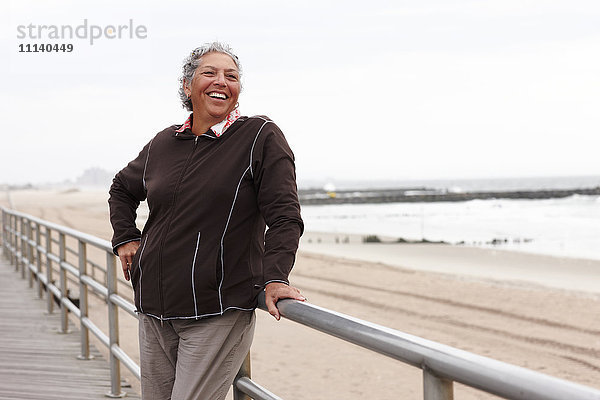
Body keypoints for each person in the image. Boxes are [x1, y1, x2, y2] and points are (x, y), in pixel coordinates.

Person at [108, 41, 305, 400]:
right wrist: (125, 237)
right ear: (187, 86)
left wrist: (275, 277)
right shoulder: (164, 143)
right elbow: (121, 188)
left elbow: (285, 216)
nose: (222, 81)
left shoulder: (259, 136)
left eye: (232, 76)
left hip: (217, 310)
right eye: (209, 73)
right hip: (153, 307)